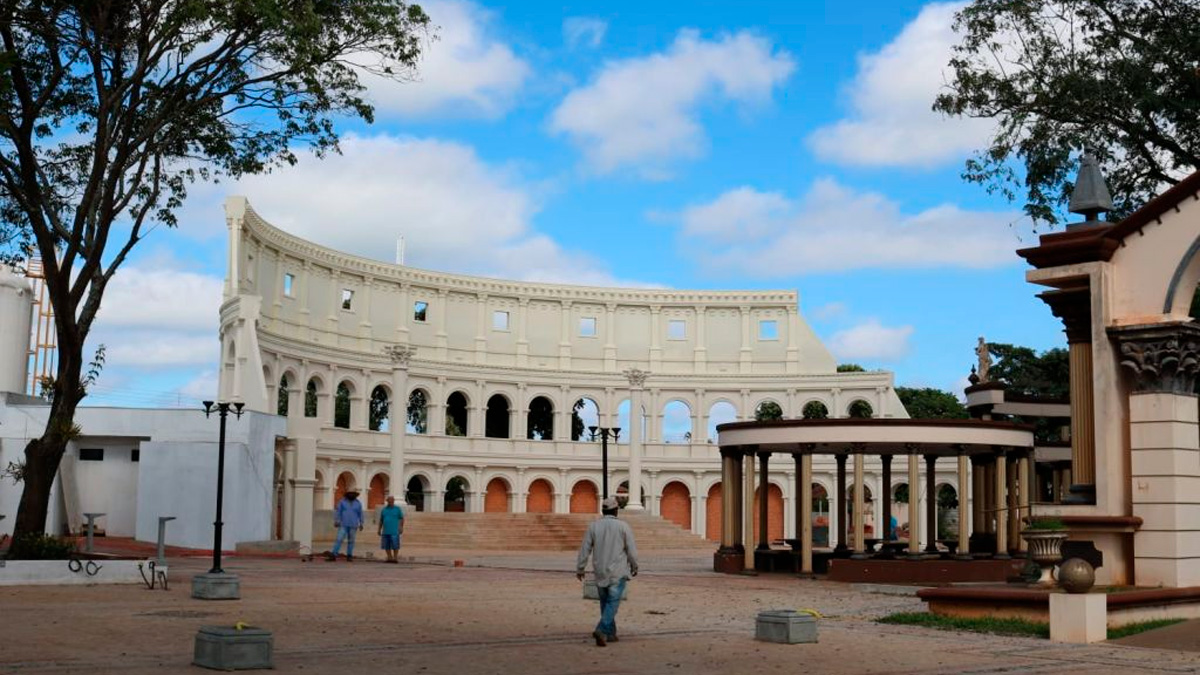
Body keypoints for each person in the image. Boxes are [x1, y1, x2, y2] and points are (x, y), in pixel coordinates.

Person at [576, 496, 639, 647]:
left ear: (603, 511)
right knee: (613, 603)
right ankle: (601, 629)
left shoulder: (594, 526)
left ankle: (611, 634)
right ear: (616, 510)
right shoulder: (623, 526)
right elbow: (631, 550)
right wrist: (634, 566)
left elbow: (585, 549)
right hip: (617, 571)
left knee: (605, 602)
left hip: (600, 570)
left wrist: (580, 567)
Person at [328, 490, 363, 562]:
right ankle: (334, 554)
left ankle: (349, 555)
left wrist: (361, 523)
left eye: (353, 494)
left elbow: (360, 514)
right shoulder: (342, 502)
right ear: (347, 494)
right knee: (339, 539)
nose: (351, 495)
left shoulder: (358, 503)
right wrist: (337, 521)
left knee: (351, 541)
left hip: (354, 525)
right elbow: (338, 512)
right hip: (343, 524)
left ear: (355, 495)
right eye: (350, 494)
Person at [378, 495, 405, 563]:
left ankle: (395, 558)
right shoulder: (384, 510)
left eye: (391, 501)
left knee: (395, 545)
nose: (390, 502)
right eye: (389, 501)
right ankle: (389, 557)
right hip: (386, 531)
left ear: (393, 501)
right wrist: (379, 529)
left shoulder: (397, 509)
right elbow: (381, 520)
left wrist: (401, 527)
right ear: (387, 501)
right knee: (386, 545)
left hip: (394, 531)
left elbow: (401, 518)